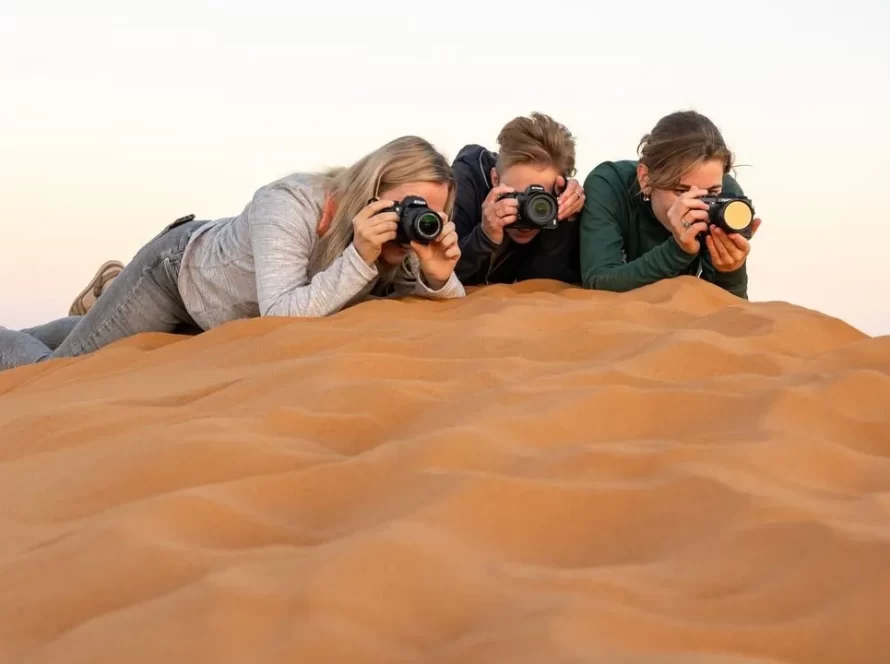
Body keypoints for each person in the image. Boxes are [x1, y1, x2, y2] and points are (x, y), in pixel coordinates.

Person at [0, 136, 465, 371]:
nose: (417, 219)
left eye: (432, 214)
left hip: (220, 310)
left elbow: (449, 308)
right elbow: (283, 314)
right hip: (178, 279)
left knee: (89, 329)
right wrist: (360, 258)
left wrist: (439, 275)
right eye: (410, 206)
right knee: (64, 370)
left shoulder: (388, 237)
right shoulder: (289, 202)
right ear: (372, 188)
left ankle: (102, 299)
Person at [578, 110, 761, 299]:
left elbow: (727, 313)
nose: (698, 207)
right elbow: (598, 282)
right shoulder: (610, 184)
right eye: (682, 191)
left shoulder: (728, 197)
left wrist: (730, 270)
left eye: (712, 193)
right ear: (645, 179)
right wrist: (678, 249)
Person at [451, 112, 586, 286]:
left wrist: (566, 218)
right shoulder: (467, 185)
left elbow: (541, 286)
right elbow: (441, 277)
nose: (527, 213)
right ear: (495, 180)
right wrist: (484, 236)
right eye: (517, 198)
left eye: (539, 202)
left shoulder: (562, 201)